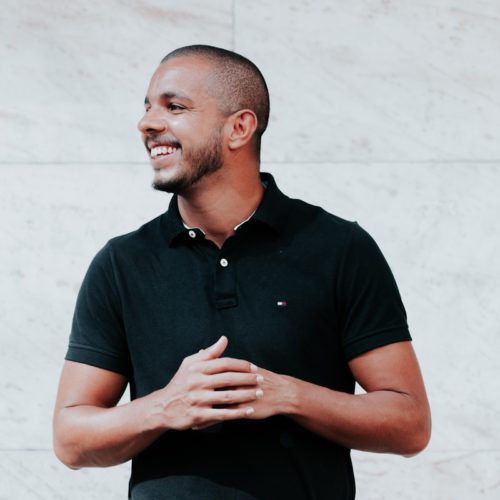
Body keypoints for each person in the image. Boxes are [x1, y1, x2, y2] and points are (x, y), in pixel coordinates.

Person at [53, 45, 431, 500]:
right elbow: (71, 439)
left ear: (239, 128)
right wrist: (164, 406)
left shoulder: (339, 249)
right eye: (148, 107)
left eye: (174, 107)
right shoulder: (122, 263)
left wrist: (288, 396)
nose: (148, 123)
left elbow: (410, 424)